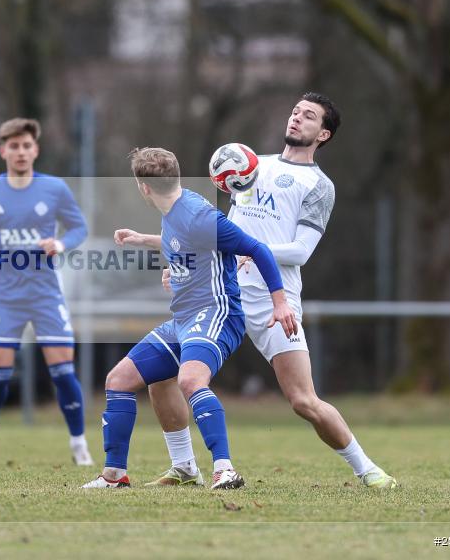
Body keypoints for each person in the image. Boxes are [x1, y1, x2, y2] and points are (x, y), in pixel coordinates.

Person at [149, 92, 398, 489]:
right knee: (161, 373)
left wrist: (255, 252)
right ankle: (184, 467)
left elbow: (300, 252)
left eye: (309, 116)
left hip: (273, 299)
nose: (297, 118)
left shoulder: (318, 186)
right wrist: (182, 266)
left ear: (324, 134)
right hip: (220, 294)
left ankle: (368, 470)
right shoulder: (248, 164)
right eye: (296, 111)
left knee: (303, 401)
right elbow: (212, 228)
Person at [81, 147, 297, 489]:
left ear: (144, 188)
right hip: (183, 318)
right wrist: (143, 239)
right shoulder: (177, 206)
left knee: (190, 380)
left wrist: (280, 303)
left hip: (216, 314)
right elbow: (180, 242)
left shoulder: (200, 216)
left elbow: (258, 250)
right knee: (119, 380)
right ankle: (117, 475)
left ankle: (225, 469)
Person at [0, 118, 93, 466]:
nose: (20, 152)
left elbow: (80, 227)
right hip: (6, 296)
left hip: (45, 295)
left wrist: (61, 243)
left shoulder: (54, 188)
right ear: (3, 151)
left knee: (63, 371)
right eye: (14, 146)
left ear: (35, 150)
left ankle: (78, 443)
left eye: (26, 146)